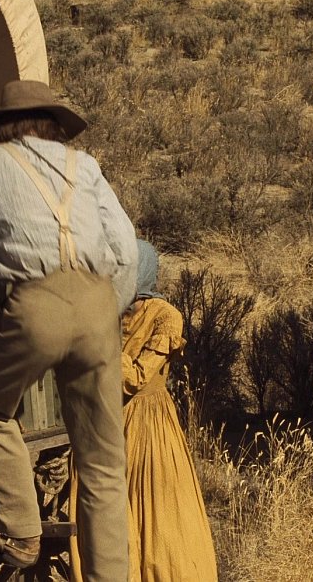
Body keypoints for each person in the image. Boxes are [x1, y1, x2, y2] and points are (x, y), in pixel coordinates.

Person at [0, 79, 137, 581]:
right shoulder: (84, 165)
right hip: (99, 306)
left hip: (36, 307)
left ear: (3, 125)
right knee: (103, 463)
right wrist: (105, 308)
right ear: (53, 124)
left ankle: (21, 528)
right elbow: (126, 249)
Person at [70, 239, 218, 581]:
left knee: (157, 516)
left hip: (148, 426)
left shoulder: (166, 317)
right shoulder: (105, 310)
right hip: (103, 421)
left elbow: (135, 378)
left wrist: (97, 340)